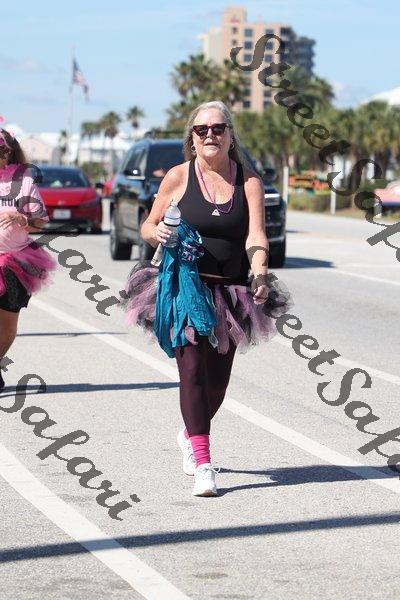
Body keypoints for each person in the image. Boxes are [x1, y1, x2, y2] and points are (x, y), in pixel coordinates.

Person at [122, 101, 292, 497]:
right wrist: (156, 233)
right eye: (202, 130)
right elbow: (148, 224)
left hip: (230, 292)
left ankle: (189, 433)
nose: (210, 135)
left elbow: (255, 235)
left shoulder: (249, 182)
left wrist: (260, 271)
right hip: (184, 287)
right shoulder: (179, 177)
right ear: (193, 138)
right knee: (193, 370)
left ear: (231, 135)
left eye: (218, 128)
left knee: (217, 384)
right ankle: (203, 463)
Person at [0, 128, 56, 390]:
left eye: (1, 150)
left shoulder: (23, 182)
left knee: (7, 324)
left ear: (9, 152)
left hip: (15, 264)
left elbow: (40, 221)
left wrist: (21, 218)